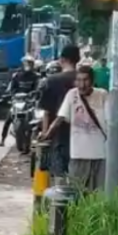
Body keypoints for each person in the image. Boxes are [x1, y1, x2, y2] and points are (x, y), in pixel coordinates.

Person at [42, 64, 109, 191]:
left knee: (99, 192)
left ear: (92, 81)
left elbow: (110, 122)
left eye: (86, 80)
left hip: (100, 154)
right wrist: (47, 134)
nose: (82, 84)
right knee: (76, 192)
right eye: (79, 80)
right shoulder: (72, 95)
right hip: (78, 154)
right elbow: (60, 118)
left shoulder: (102, 95)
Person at [37, 44, 81, 176]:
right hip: (82, 130)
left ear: (62, 60)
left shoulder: (52, 80)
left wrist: (45, 134)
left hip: (58, 133)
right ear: (78, 59)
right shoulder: (86, 78)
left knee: (59, 174)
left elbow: (46, 111)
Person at [0, 56, 41, 147]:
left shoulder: (36, 76)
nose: (28, 65)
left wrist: (34, 94)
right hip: (18, 100)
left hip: (30, 101)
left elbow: (37, 88)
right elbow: (11, 88)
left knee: (37, 119)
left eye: (29, 63)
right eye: (26, 63)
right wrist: (11, 94)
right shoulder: (16, 75)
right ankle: (3, 139)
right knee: (8, 119)